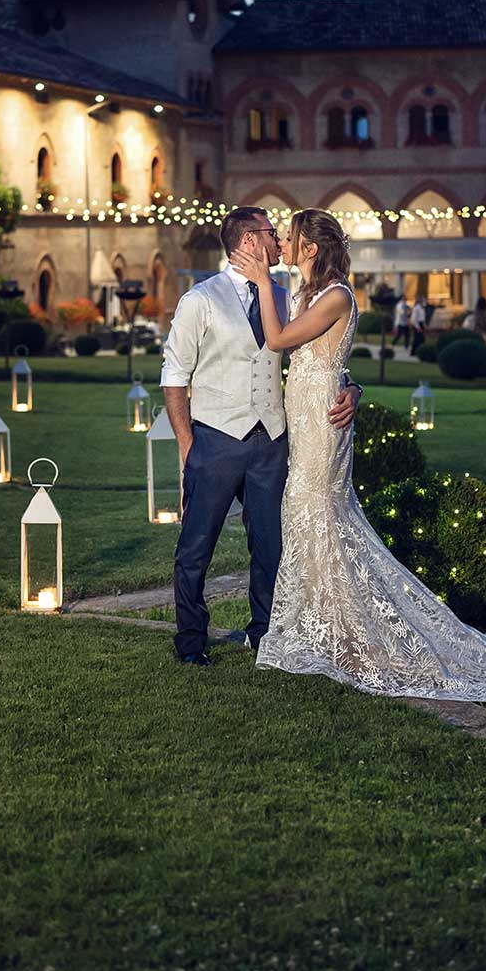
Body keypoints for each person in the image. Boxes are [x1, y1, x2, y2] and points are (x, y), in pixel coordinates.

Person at [230, 209, 486, 701]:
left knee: (320, 516)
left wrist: (263, 280)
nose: (282, 240)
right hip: (310, 417)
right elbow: (325, 359)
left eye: (291, 235)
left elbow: (280, 341)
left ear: (310, 248)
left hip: (323, 427)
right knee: (311, 520)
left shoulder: (335, 294)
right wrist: (355, 386)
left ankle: (358, 638)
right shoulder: (309, 293)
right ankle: (332, 630)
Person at [159, 207, 362, 666]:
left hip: (273, 441)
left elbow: (322, 352)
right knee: (196, 546)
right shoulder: (200, 299)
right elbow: (174, 374)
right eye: (273, 234)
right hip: (215, 440)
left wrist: (352, 388)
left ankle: (265, 633)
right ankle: (191, 641)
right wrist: (188, 442)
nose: (279, 241)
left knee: (270, 545)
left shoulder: (289, 296)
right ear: (250, 241)